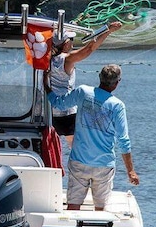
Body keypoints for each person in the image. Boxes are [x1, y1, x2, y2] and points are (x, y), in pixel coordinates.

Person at [44, 64, 139, 211]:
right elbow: (123, 140)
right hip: (104, 165)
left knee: (73, 206)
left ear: (99, 78)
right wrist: (130, 171)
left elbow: (59, 104)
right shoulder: (117, 106)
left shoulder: (83, 92)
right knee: (100, 209)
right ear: (117, 83)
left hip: (79, 161)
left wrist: (46, 85)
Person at [46, 21, 123, 148]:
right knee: (77, 149)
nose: (72, 42)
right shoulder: (67, 59)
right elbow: (89, 49)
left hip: (49, 111)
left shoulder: (46, 58)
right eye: (71, 39)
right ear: (66, 44)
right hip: (67, 111)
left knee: (53, 148)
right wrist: (107, 30)